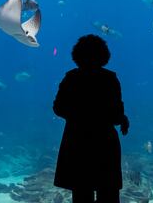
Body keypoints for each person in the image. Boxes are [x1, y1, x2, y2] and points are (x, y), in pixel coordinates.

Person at [53, 34, 130, 203]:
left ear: (77, 55)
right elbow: (116, 113)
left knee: (81, 192)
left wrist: (78, 117)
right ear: (104, 55)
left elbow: (58, 108)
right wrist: (122, 120)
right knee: (108, 192)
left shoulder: (71, 78)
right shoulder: (109, 79)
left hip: (77, 141)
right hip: (104, 142)